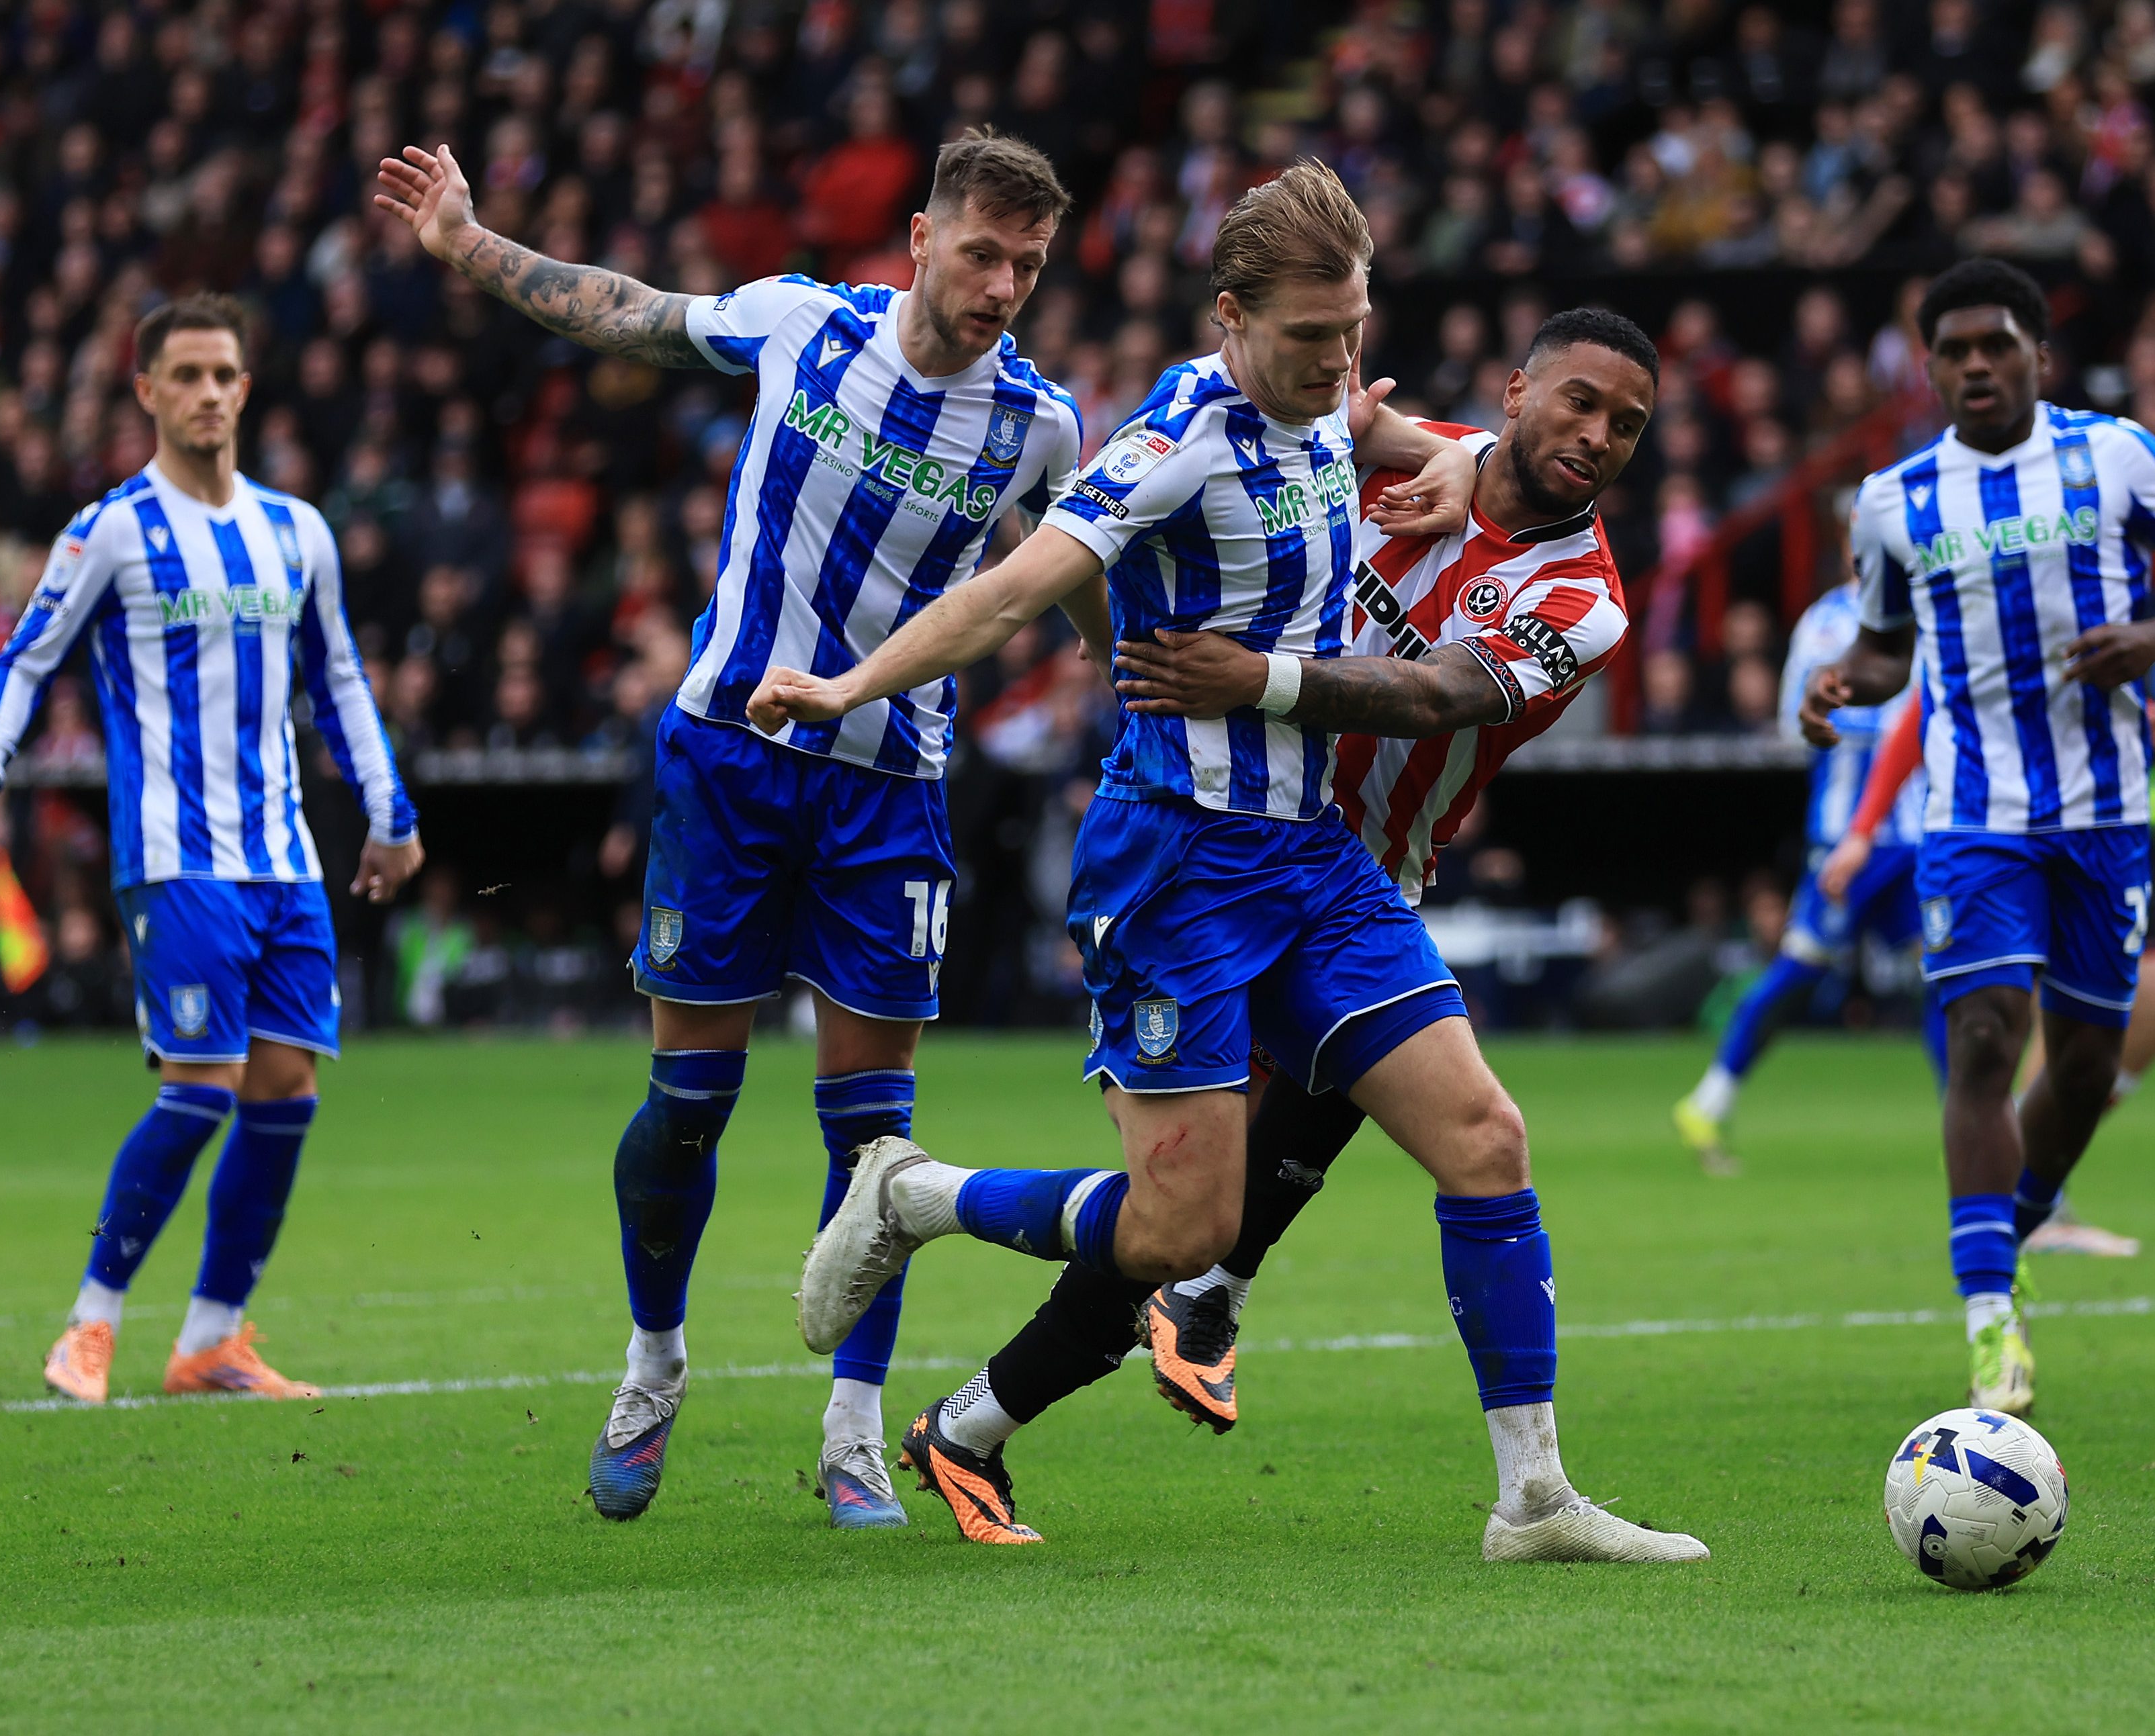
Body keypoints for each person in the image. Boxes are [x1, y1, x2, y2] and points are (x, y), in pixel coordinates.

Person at [756, 166, 1702, 1563]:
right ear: (1234, 316)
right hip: (1180, 863)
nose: (1340, 367)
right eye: (1314, 340)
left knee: (1482, 1138)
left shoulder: (1503, 531)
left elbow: (1437, 675)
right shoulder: (1181, 439)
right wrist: (849, 687)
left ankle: (1534, 1497)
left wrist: (1275, 644)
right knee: (1176, 1222)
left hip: (1331, 862)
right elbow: (1018, 580)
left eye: (1354, 335)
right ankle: (915, 1195)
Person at [375, 131, 1102, 1526]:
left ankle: (851, 1433)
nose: (1003, 281)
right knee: (687, 1109)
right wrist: (469, 244)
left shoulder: (1040, 425)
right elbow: (629, 307)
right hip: (731, 758)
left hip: (890, 785)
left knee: (877, 1141)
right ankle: (654, 1362)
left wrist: (1137, 683)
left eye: (1028, 260)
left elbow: (1073, 571)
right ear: (920, 239)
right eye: (982, 251)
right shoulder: (801, 326)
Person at [906, 305, 1659, 1471]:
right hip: (1213, 853)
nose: (1600, 433)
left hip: (1356, 888)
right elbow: (1326, 425)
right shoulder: (1413, 454)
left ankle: (1000, 1406)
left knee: (1348, 1173)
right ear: (1514, 394)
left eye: (1628, 425)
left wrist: (1254, 676)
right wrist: (1413, 445)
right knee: (1185, 1217)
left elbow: (1429, 699)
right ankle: (1014, 1295)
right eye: (1580, 400)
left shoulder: (1584, 599)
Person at [0, 295, 423, 1406]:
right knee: (201, 1086)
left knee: (286, 1088)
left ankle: (210, 1341)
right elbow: (24, 660)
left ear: (247, 389)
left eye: (224, 375)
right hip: (177, 853)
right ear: (145, 389)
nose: (207, 393)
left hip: (285, 858)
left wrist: (389, 814)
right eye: (185, 375)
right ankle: (90, 1326)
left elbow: (339, 676)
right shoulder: (112, 529)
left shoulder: (297, 530)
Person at [1798, 257, 2155, 1416]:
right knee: (1989, 1039)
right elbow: (1887, 650)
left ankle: (2012, 1226)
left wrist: (2152, 642)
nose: (1974, 367)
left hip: (2103, 815)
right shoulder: (1893, 501)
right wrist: (1838, 686)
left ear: (2037, 357)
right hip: (1971, 816)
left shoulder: (2114, 457)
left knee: (2092, 1061)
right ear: (1928, 368)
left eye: (1995, 345)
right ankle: (1990, 1318)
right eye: (1950, 351)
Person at [1820, 686, 2155, 1257]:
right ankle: (2032, 1204)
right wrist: (1862, 830)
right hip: (2009, 823)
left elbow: (2084, 685)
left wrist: (2143, 720)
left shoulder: (2092, 603)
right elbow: (1924, 707)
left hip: (2106, 816)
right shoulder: (1982, 612)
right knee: (2026, 1014)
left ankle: (2021, 1164)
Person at [1669, 579, 1926, 1178]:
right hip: (1846, 833)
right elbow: (1796, 721)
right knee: (1801, 969)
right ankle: (1708, 1101)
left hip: (1917, 833)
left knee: (1942, 973)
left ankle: (1964, 1124)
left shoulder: (1929, 606)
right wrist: (1877, 722)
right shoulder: (1828, 623)